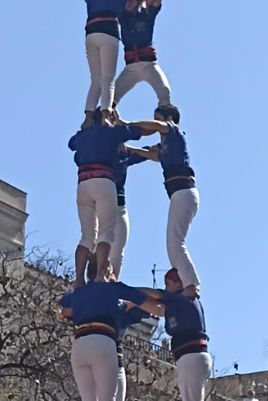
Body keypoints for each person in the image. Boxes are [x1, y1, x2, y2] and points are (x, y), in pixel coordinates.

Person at [68, 110, 165, 282]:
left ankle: (87, 278)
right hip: (108, 191)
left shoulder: (94, 140)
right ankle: (100, 276)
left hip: (88, 185)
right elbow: (140, 133)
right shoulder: (115, 141)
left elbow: (73, 147)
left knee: (92, 239)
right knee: (107, 239)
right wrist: (162, 128)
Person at [130, 268, 211, 401]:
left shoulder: (184, 299)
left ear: (178, 283)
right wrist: (133, 302)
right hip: (190, 357)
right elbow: (156, 308)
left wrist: (127, 291)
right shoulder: (177, 305)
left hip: (192, 355)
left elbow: (156, 296)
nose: (167, 287)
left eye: (169, 283)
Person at [59, 277, 149, 401]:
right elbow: (144, 307)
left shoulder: (84, 299)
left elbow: (65, 306)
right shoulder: (112, 302)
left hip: (85, 347)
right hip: (111, 357)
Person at [127, 103, 200, 291]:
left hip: (183, 192)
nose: (155, 125)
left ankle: (192, 286)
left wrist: (128, 125)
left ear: (167, 119)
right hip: (180, 195)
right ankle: (183, 283)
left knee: (176, 243)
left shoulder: (174, 131)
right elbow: (151, 154)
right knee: (172, 245)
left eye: (157, 119)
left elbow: (157, 128)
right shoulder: (168, 145)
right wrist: (129, 149)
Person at [83, 0, 132, 124]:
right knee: (108, 79)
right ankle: (105, 114)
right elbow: (127, 7)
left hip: (91, 31)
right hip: (108, 30)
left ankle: (88, 117)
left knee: (95, 79)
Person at [113, 0, 171, 109]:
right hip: (130, 69)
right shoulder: (123, 17)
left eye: (131, 0)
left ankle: (166, 119)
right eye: (126, 1)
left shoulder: (146, 15)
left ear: (138, 2)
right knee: (111, 97)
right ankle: (108, 120)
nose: (128, 3)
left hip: (149, 65)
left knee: (164, 92)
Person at [110, 146, 147, 279]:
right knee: (96, 248)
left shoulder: (122, 155)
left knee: (117, 253)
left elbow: (146, 153)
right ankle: (93, 284)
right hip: (101, 206)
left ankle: (111, 285)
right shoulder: (96, 152)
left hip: (119, 206)